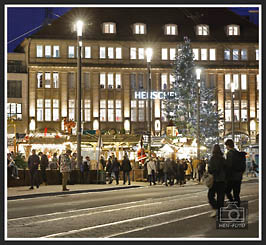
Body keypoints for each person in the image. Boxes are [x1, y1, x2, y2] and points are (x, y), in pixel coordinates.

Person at [224, 139, 245, 207]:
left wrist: (226, 176)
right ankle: (237, 209)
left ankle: (233, 204)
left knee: (227, 191)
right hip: (239, 176)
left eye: (226, 146)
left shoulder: (230, 153)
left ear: (228, 145)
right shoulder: (238, 153)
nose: (226, 148)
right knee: (236, 194)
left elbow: (229, 166)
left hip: (232, 177)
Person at [208, 144, 226, 218]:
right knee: (220, 196)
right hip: (222, 180)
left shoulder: (213, 158)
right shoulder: (222, 158)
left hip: (215, 180)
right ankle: (220, 211)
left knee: (210, 195)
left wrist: (211, 171)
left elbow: (210, 169)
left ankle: (216, 208)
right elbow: (226, 168)